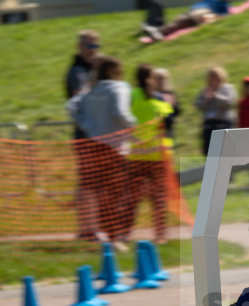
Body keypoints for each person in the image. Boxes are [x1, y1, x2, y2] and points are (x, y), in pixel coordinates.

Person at [66, 56, 137, 251]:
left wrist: (87, 125)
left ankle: (110, 236)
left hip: (95, 146)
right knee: (117, 195)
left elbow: (71, 106)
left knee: (101, 195)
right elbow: (121, 113)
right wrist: (136, 128)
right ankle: (115, 238)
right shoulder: (119, 87)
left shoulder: (91, 90)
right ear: (116, 70)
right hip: (115, 149)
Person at [128, 64, 176, 245]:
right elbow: (169, 122)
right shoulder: (156, 98)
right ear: (149, 79)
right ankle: (160, 234)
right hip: (152, 156)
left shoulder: (133, 96)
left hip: (139, 155)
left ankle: (126, 233)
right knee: (156, 198)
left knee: (136, 198)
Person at [65, 30, 102, 241]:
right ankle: (88, 228)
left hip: (94, 134)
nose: (93, 51)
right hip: (84, 134)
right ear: (79, 46)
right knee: (89, 183)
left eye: (96, 46)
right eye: (89, 46)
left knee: (90, 183)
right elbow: (81, 99)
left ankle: (87, 227)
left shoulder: (89, 69)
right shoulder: (77, 71)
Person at [194, 66, 237, 155]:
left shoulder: (227, 88)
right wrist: (205, 100)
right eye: (211, 77)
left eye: (215, 76)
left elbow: (229, 103)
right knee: (210, 153)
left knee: (225, 152)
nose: (213, 79)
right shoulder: (206, 90)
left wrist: (215, 96)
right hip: (209, 125)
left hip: (223, 123)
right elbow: (198, 104)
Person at [141, 0, 230, 41]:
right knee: (180, 20)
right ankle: (159, 31)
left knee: (180, 21)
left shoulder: (224, 5)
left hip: (200, 14)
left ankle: (159, 31)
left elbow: (223, 15)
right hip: (196, 12)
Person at [150, 67, 181, 146]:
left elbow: (177, 112)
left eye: (163, 78)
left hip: (168, 132)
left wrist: (173, 105)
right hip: (153, 133)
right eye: (158, 78)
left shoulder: (170, 94)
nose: (161, 81)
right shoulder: (150, 95)